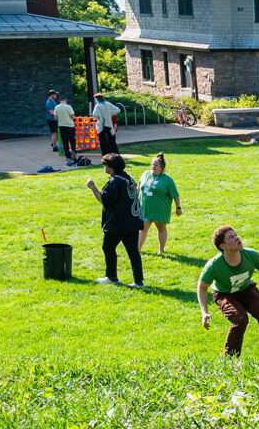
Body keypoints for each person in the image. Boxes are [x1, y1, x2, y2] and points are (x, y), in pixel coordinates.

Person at [198, 224, 259, 357]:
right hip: (224, 294)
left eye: (236, 235)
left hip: (246, 289)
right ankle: (230, 359)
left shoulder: (251, 255)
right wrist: (204, 312)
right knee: (240, 319)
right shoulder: (214, 265)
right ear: (223, 246)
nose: (237, 238)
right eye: (231, 237)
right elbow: (202, 288)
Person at [86, 153, 143, 287]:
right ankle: (138, 281)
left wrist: (92, 187)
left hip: (117, 223)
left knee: (108, 247)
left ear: (110, 167)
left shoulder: (114, 182)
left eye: (104, 164)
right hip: (132, 221)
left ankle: (112, 277)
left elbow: (104, 200)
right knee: (133, 252)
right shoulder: (128, 177)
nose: (103, 166)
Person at [138, 152, 182, 254]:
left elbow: (175, 194)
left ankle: (161, 250)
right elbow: (139, 187)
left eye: (156, 165)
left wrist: (178, 207)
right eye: (152, 164)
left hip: (160, 209)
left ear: (161, 167)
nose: (153, 166)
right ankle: (138, 250)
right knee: (143, 229)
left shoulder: (168, 180)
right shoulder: (145, 174)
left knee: (161, 229)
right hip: (145, 208)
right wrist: (136, 200)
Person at [54, 94, 77, 163]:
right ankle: (73, 152)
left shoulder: (56, 107)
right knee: (72, 140)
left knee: (65, 141)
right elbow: (72, 117)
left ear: (59, 101)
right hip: (70, 126)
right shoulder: (68, 107)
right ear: (65, 100)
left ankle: (67, 156)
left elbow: (55, 118)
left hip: (61, 126)